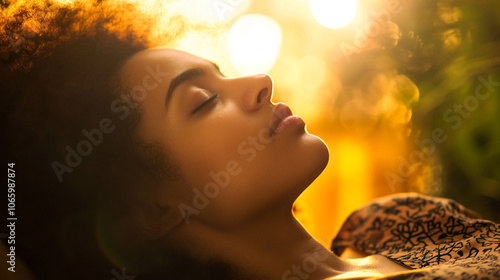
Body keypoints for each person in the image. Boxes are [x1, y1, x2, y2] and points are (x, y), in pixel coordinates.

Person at [2, 1, 499, 280]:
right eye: (202, 101)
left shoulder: (395, 221)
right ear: (154, 211)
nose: (260, 81)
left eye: (222, 76)